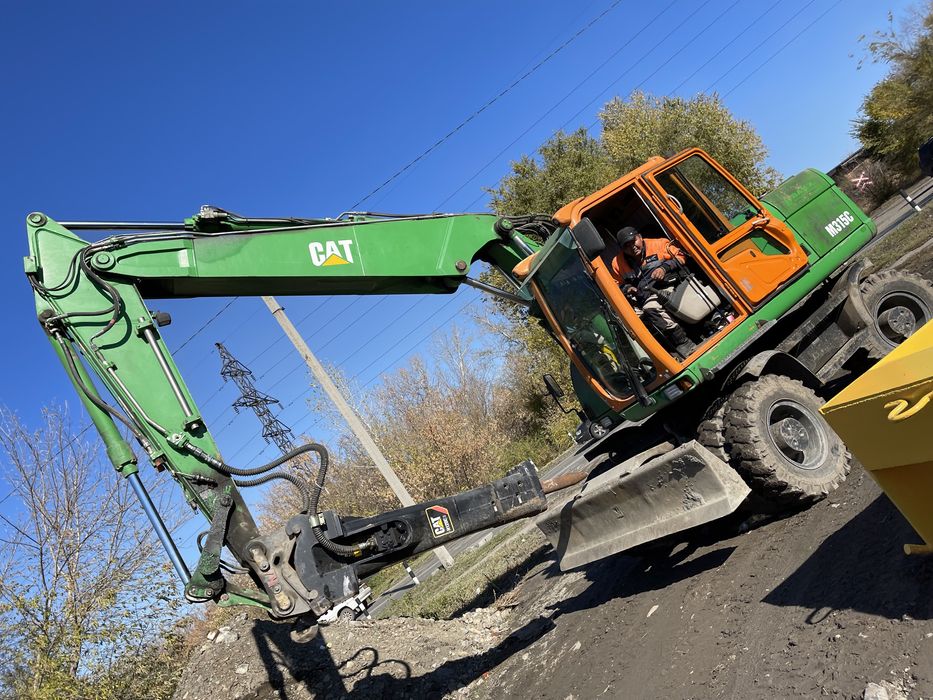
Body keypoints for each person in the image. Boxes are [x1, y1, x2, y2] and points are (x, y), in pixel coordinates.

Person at [610, 226, 696, 359]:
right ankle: (665, 353)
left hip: (668, 284)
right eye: (626, 246)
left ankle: (684, 342)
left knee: (651, 308)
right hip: (642, 296)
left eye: (633, 241)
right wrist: (627, 288)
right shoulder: (617, 263)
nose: (632, 247)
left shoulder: (659, 244)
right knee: (632, 323)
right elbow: (617, 284)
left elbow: (681, 256)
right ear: (622, 249)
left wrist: (664, 268)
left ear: (639, 237)